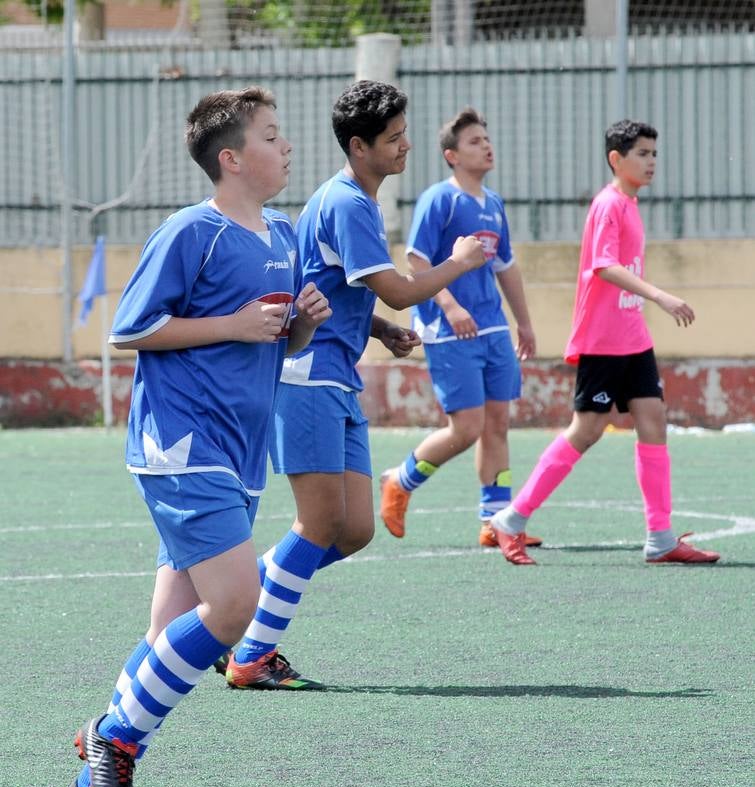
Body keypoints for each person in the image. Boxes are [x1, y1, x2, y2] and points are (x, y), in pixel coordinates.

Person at [57, 86, 332, 787]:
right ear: (232, 158)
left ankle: (99, 761)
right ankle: (111, 748)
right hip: (183, 447)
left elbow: (276, 344)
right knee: (235, 607)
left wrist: (299, 327)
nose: (287, 148)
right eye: (273, 137)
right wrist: (236, 323)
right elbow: (132, 329)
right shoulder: (193, 230)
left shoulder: (280, 234)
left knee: (170, 627)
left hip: (238, 454)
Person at [220, 80, 486, 691]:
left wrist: (380, 329)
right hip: (306, 379)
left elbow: (331, 291)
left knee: (355, 530)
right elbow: (396, 284)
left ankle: (229, 604)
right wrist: (462, 260)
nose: (406, 147)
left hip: (336, 381)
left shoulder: (352, 202)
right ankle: (250, 650)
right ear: (359, 145)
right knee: (317, 526)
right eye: (393, 139)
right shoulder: (345, 202)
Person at [489, 119, 720, 566]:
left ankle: (660, 537)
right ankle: (512, 519)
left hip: (634, 339)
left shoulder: (631, 205)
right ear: (617, 159)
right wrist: (659, 294)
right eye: (643, 154)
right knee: (587, 431)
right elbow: (603, 266)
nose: (652, 162)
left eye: (655, 153)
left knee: (653, 421)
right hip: (603, 341)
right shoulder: (608, 205)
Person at [378, 107, 540, 549]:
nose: (486, 146)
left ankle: (495, 521)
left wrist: (523, 322)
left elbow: (505, 267)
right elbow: (417, 261)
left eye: (487, 139)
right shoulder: (440, 199)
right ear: (451, 155)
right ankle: (400, 480)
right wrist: (449, 306)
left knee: (498, 425)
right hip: (449, 331)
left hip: (492, 329)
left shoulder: (495, 204)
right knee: (466, 428)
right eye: (474, 141)